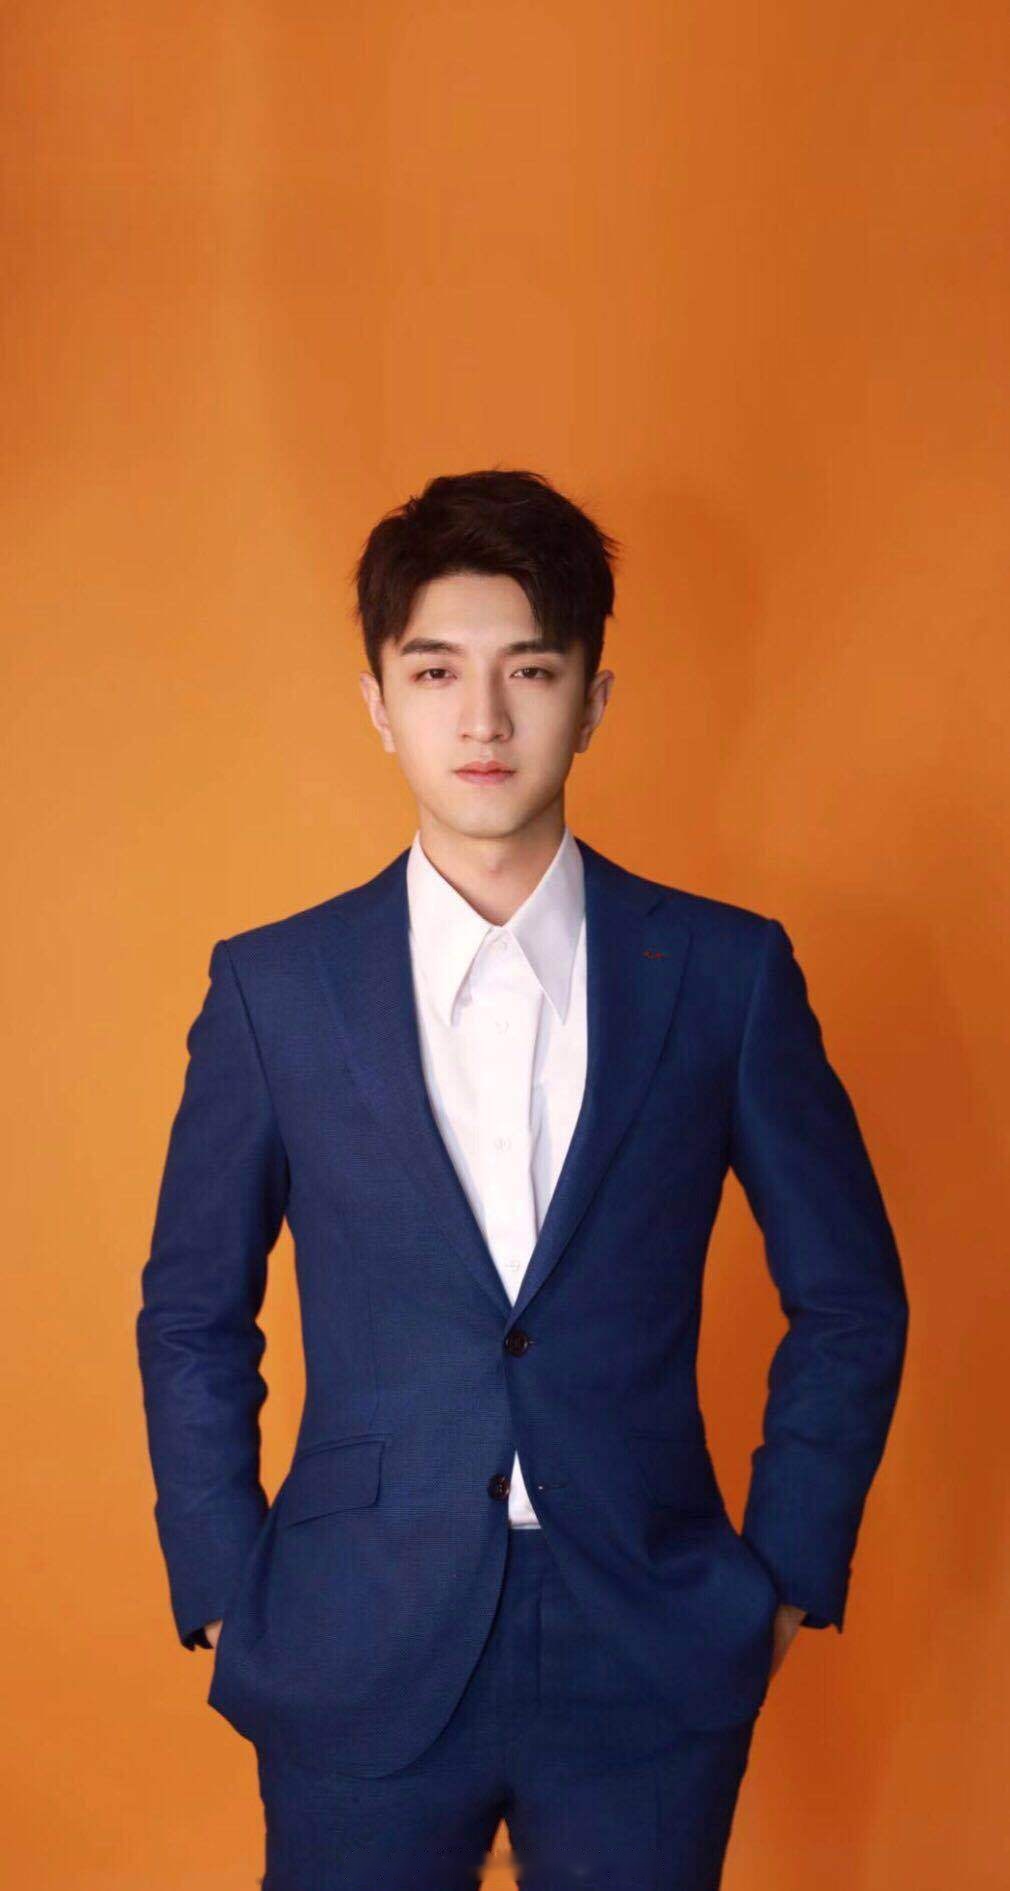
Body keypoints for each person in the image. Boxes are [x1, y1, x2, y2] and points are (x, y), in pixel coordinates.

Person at [136, 467, 909, 1890]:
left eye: (529, 672)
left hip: (647, 1634)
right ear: (379, 702)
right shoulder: (275, 989)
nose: (481, 720)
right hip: (350, 1630)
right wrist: (227, 1595)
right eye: (435, 672)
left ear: (593, 700)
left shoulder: (724, 974)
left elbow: (850, 1298)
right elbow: (191, 1312)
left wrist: (785, 1576)